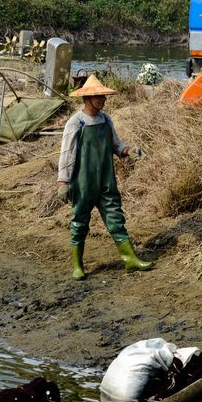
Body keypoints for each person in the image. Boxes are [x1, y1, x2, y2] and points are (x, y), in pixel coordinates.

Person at [57, 74, 154, 281]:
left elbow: (116, 145)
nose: (103, 99)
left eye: (103, 95)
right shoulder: (75, 123)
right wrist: (63, 182)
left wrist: (130, 151)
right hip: (83, 182)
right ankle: (78, 265)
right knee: (80, 221)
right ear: (87, 98)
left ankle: (130, 260)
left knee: (115, 218)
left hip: (106, 179)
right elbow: (67, 154)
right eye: (98, 95)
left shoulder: (106, 119)